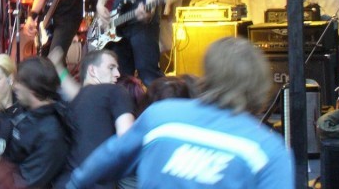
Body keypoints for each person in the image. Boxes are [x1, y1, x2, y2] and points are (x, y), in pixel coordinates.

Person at [67, 37, 295, 189]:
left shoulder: (161, 117)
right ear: (261, 86)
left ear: (208, 74)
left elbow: (102, 162)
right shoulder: (269, 151)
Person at [50, 48, 134, 189]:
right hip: (97, 183)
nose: (118, 74)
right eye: (111, 68)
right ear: (92, 71)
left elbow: (69, 86)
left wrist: (58, 67)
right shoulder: (116, 91)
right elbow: (127, 141)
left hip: (64, 182)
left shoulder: (75, 99)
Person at [7, 56, 70, 188]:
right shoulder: (24, 110)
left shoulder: (52, 133)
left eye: (19, 82)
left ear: (32, 88)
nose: (14, 87)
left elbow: (29, 181)